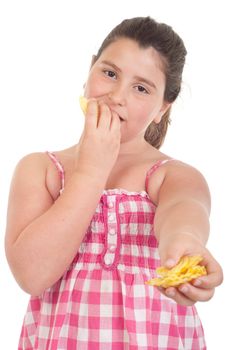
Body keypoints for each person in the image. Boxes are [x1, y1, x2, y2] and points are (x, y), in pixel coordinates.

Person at [5, 16, 223, 349]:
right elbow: (32, 275)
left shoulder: (171, 174)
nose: (117, 96)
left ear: (162, 107)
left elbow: (184, 209)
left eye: (141, 88)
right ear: (89, 71)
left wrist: (184, 242)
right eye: (109, 73)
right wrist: (91, 171)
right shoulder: (41, 170)